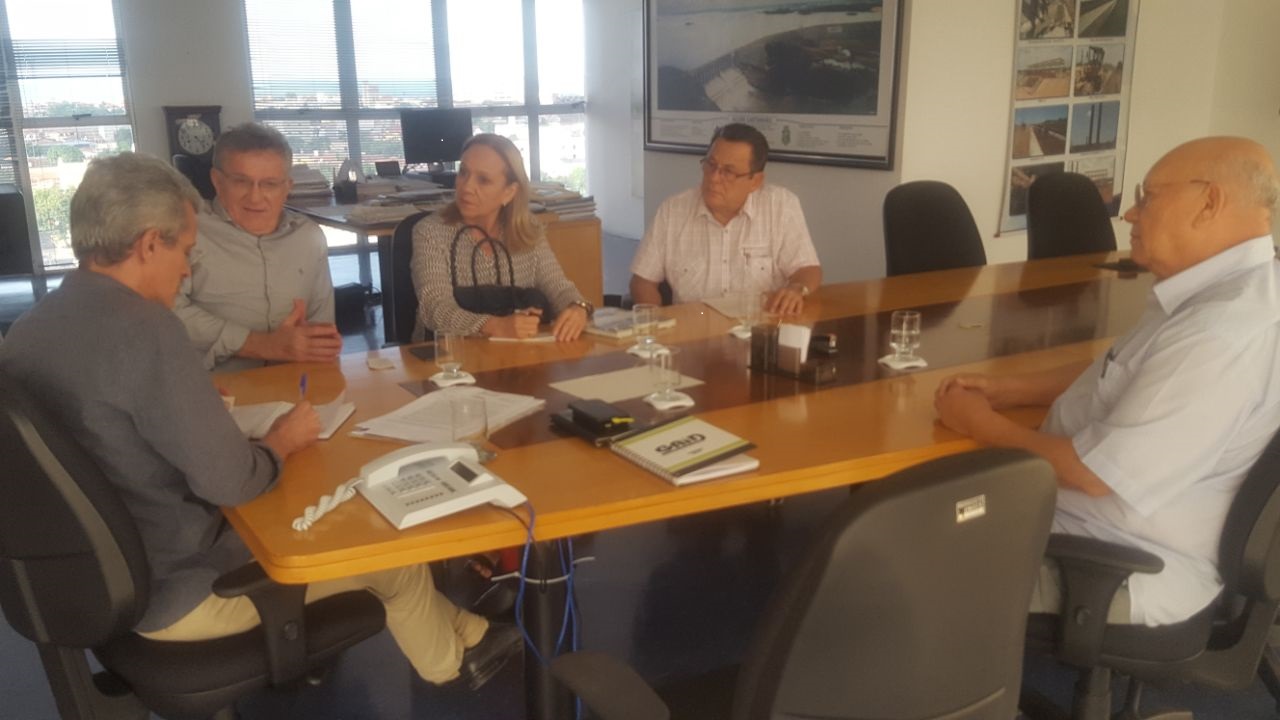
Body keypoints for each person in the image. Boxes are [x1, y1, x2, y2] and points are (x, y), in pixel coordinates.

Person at [0, 153, 520, 689]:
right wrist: (280, 442)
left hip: (88, 583)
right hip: (181, 593)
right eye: (184, 251)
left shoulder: (30, 329)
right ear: (150, 243)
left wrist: (188, 404)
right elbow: (235, 482)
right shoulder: (147, 329)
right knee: (391, 558)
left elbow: (104, 425)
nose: (186, 269)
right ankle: (454, 668)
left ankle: (474, 632)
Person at [934, 136, 1280, 626]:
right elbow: (1124, 368)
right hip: (1093, 527)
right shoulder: (1231, 290)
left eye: (1148, 197)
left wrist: (979, 423)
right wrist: (1014, 390)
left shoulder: (1216, 333)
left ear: (1209, 203)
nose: (1131, 214)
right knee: (913, 520)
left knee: (897, 564)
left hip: (1112, 559)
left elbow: (1092, 475)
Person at [175, 122, 343, 373]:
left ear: (287, 188)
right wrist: (260, 345)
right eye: (241, 182)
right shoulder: (188, 233)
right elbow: (168, 314)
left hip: (294, 381)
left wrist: (317, 347)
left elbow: (321, 330)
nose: (255, 197)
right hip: (212, 385)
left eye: (270, 184)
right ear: (217, 181)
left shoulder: (308, 237)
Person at [411, 133, 593, 342]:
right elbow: (434, 308)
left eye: (483, 180)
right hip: (447, 354)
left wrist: (578, 308)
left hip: (513, 353)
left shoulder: (528, 231)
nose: (466, 187)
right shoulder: (431, 231)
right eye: (463, 172)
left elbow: (559, 288)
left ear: (509, 192)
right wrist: (493, 326)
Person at [630, 123, 822, 315]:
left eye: (728, 172)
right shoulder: (672, 211)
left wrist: (796, 288)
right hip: (694, 329)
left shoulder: (780, 206)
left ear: (755, 181)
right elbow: (642, 282)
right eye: (711, 165)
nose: (714, 178)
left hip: (759, 328)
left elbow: (807, 269)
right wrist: (658, 324)